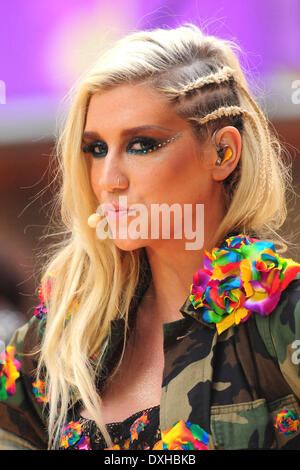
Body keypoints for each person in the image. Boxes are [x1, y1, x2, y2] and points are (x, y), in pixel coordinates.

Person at [0, 24, 300, 451]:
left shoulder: (282, 317)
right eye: (96, 149)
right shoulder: (54, 340)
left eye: (141, 144)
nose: (109, 180)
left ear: (222, 153)